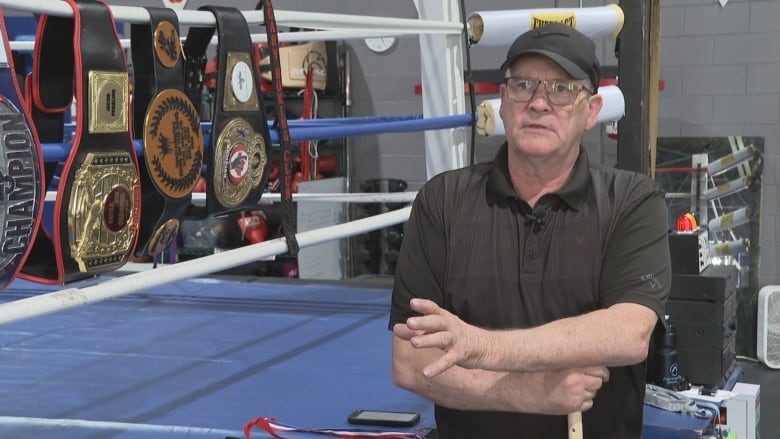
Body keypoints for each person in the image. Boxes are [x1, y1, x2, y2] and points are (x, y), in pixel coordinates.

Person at [389, 23, 671, 439]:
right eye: (522, 85)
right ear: (502, 101)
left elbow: (629, 333)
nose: (539, 103)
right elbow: (411, 365)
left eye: (561, 88)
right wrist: (529, 392)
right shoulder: (443, 202)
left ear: (592, 110)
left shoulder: (632, 201)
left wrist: (481, 346)